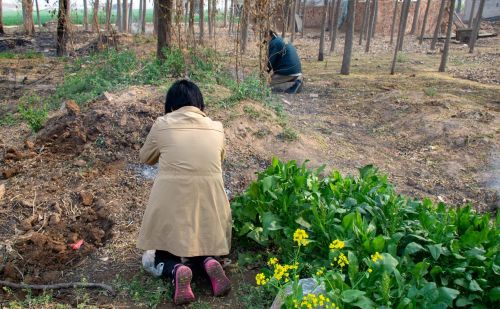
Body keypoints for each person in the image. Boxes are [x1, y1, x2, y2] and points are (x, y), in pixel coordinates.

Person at [137, 80, 232, 305]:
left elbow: (145, 158)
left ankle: (174, 269)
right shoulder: (217, 127)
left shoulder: (162, 124)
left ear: (171, 105)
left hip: (172, 204)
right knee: (201, 241)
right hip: (212, 205)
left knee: (160, 254)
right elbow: (219, 159)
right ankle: (208, 261)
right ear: (199, 104)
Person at [266, 30, 303, 94]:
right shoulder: (281, 39)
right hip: (297, 70)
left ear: (268, 35)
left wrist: (263, 75)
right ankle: (298, 79)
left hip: (288, 71)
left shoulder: (274, 43)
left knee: (265, 83)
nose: (265, 42)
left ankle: (296, 84)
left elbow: (270, 63)